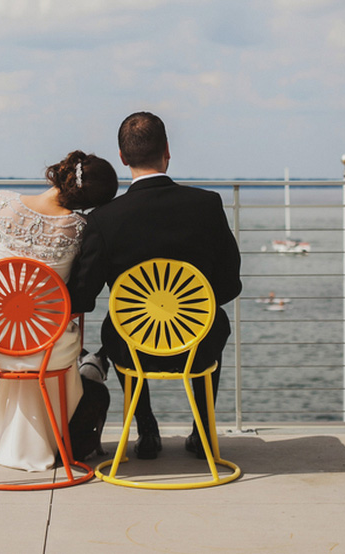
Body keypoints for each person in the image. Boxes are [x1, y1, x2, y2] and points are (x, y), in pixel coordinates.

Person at [68, 111, 242, 460]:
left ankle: (146, 426)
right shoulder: (207, 205)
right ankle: (204, 432)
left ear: (122, 158)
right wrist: (192, 310)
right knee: (216, 319)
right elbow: (229, 283)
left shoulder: (103, 219)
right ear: (167, 151)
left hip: (134, 347)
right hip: (198, 344)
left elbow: (83, 297)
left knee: (115, 326)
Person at [0, 149, 118, 472]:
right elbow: (72, 298)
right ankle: (58, 428)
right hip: (43, 347)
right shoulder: (79, 229)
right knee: (71, 344)